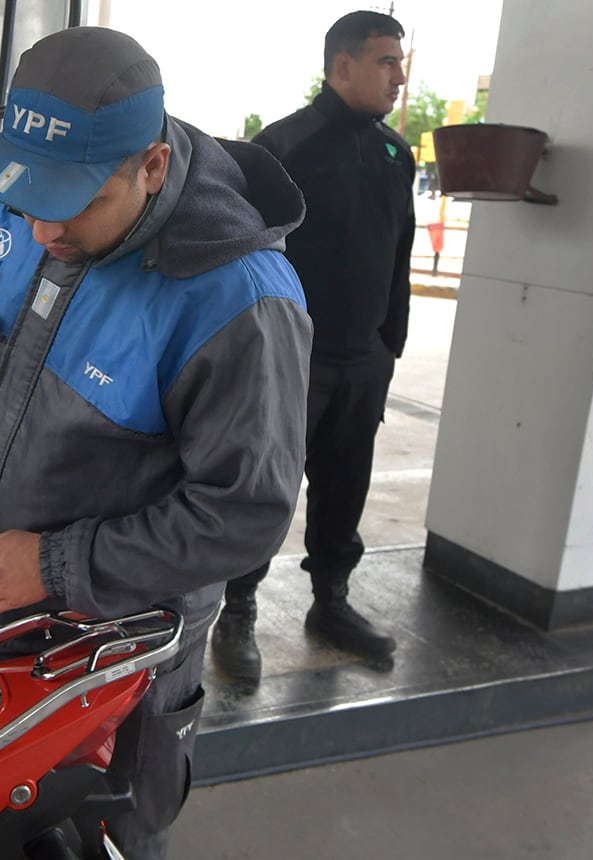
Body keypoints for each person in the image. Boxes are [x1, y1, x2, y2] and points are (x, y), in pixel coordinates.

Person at [0, 26, 312, 859]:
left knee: (97, 833)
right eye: (29, 198)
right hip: (1, 607)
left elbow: (243, 514)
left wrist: (56, 565)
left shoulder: (237, 297)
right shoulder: (14, 197)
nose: (40, 229)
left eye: (71, 204)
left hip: (122, 652)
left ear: (150, 168)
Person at [210, 10, 416, 683]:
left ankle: (332, 601)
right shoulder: (285, 146)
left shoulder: (396, 151)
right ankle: (237, 609)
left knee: (345, 485)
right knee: (266, 487)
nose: (399, 75)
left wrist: (392, 342)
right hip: (291, 358)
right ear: (342, 66)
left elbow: (400, 254)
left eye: (400, 61)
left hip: (364, 359)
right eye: (386, 61)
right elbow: (240, 254)